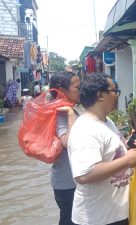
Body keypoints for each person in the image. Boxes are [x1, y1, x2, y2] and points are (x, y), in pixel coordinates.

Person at [67, 73, 136, 225]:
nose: (117, 96)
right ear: (100, 95)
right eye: (115, 91)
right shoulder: (86, 129)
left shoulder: (106, 121)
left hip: (114, 213)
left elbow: (111, 154)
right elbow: (85, 174)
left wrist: (128, 145)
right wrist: (127, 161)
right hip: (97, 218)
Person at [49, 71, 80, 225]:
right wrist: (69, 114)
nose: (80, 90)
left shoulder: (68, 109)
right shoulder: (62, 112)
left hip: (68, 181)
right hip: (67, 184)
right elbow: (68, 143)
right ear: (62, 90)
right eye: (77, 87)